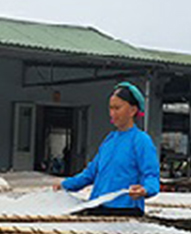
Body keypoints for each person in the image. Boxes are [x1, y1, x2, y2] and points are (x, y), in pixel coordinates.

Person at [54, 82, 160, 216]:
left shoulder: (141, 140)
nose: (112, 113)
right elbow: (90, 174)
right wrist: (65, 185)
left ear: (132, 110)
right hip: (99, 206)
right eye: (110, 108)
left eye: (117, 108)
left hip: (125, 211)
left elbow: (151, 175)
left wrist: (145, 190)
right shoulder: (110, 140)